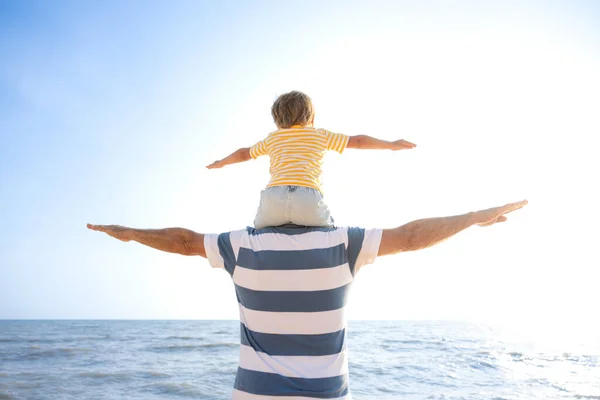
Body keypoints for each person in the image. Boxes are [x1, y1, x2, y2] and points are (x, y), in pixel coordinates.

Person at [87, 199, 527, 399]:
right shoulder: (344, 242)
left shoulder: (240, 245)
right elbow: (411, 237)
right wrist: (471, 218)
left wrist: (127, 233)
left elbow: (182, 241)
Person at [206, 90, 416, 229]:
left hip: (273, 199)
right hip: (308, 198)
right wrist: (391, 144)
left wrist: (221, 162)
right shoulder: (319, 135)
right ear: (311, 118)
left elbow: (244, 153)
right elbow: (358, 141)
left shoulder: (272, 138)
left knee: (258, 234)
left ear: (278, 122)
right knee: (329, 233)